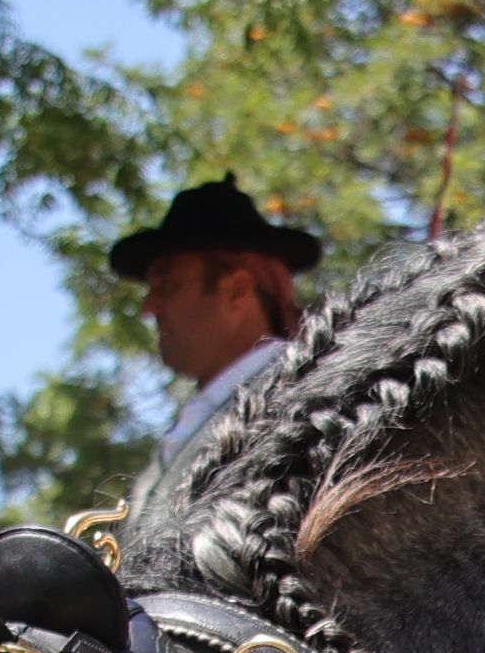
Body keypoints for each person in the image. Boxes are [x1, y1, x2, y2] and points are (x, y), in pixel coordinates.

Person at [101, 177, 325, 569]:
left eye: (167, 286)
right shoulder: (205, 411)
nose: (149, 308)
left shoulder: (306, 396)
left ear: (237, 289)